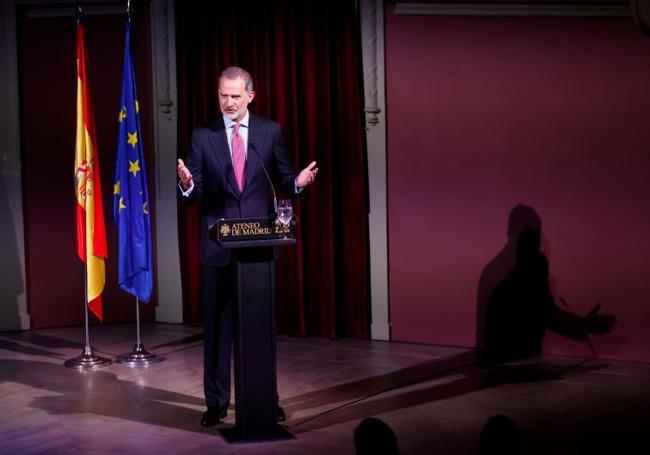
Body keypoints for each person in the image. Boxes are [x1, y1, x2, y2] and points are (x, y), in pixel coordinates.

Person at [177, 66, 318, 427]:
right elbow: (195, 190)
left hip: (258, 249)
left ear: (250, 97)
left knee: (258, 328)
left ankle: (264, 399)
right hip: (218, 248)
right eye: (223, 95)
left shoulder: (269, 133)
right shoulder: (202, 135)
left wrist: (298, 183)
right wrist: (188, 185)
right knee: (217, 330)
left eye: (235, 96)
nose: (228, 102)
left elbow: (283, 178)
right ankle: (216, 402)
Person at [482, 225, 616, 363]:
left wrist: (583, 326)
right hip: (511, 363)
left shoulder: (510, 283)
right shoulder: (531, 271)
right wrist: (585, 326)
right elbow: (546, 314)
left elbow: (545, 310)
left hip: (513, 361)